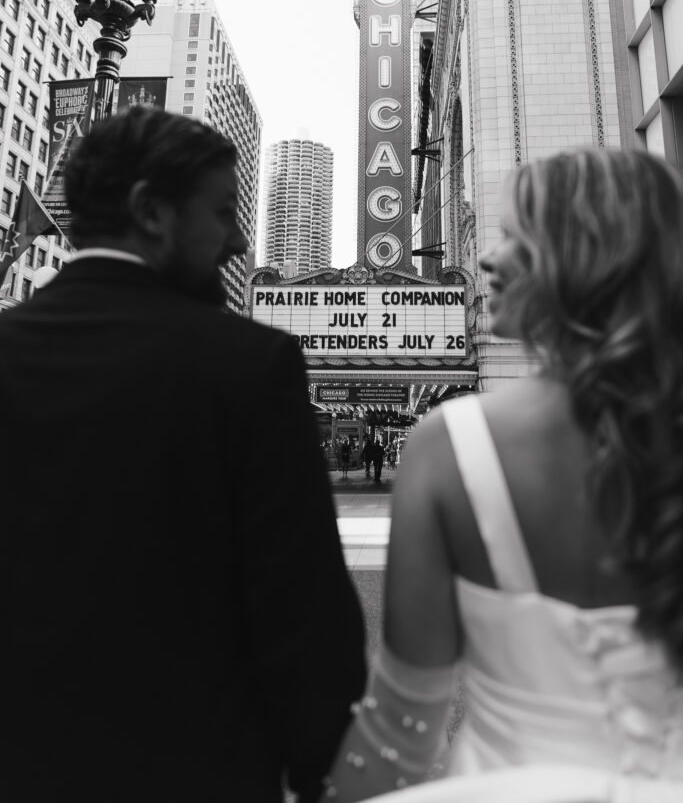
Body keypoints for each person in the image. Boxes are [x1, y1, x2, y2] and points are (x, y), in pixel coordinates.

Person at [1, 107, 366, 803]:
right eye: (224, 211)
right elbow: (302, 615)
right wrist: (322, 771)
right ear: (151, 213)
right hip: (195, 773)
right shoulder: (249, 366)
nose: (235, 241)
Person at [324, 149, 683, 801]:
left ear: (586, 259)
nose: (488, 259)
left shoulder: (452, 445)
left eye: (517, 238)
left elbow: (403, 726)